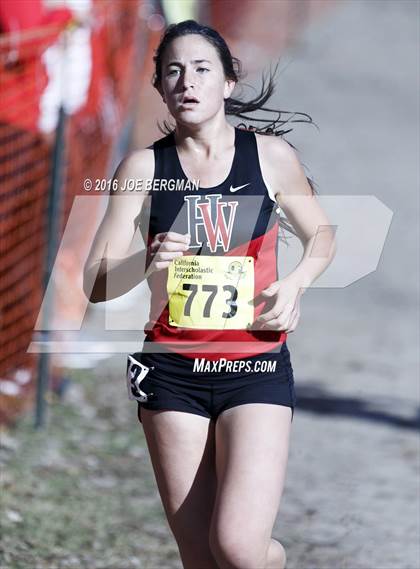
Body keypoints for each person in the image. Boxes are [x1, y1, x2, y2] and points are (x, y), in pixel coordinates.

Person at [83, 19, 336, 569]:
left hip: (255, 367)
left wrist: (296, 282)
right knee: (201, 558)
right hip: (172, 373)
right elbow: (96, 283)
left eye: (201, 69)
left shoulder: (269, 158)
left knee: (240, 550)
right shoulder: (143, 169)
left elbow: (322, 233)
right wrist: (145, 261)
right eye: (172, 71)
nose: (186, 82)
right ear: (159, 88)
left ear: (228, 81)